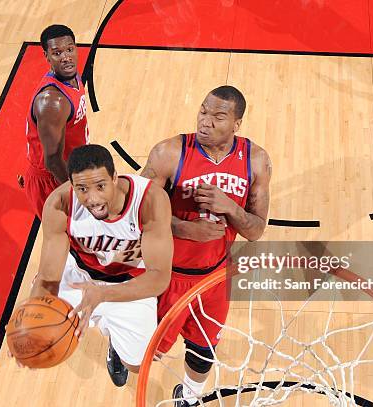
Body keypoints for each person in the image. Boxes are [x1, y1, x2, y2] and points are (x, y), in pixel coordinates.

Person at [141, 86, 272, 406]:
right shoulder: (169, 153)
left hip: (214, 276)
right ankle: (121, 346)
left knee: (203, 351)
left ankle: (187, 396)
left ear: (236, 124)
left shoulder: (256, 161)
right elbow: (135, 211)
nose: (205, 121)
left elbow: (255, 230)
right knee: (147, 354)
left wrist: (230, 207)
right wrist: (185, 228)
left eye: (218, 116)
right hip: (167, 272)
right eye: (203, 111)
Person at [29, 144, 173, 387]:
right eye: (82, 189)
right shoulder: (59, 204)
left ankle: (115, 342)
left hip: (129, 283)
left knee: (138, 365)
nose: (92, 198)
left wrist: (103, 295)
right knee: (41, 333)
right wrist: (29, 328)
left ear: (115, 178)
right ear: (72, 185)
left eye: (100, 186)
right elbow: (47, 277)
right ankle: (104, 322)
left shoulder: (150, 200)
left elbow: (159, 277)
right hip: (79, 275)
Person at [21, 24, 90, 218]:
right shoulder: (52, 101)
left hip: (72, 166)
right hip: (53, 179)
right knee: (70, 242)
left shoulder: (71, 75)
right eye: (57, 53)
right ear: (47, 56)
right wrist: (79, 194)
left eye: (69, 49)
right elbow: (52, 162)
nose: (66, 57)